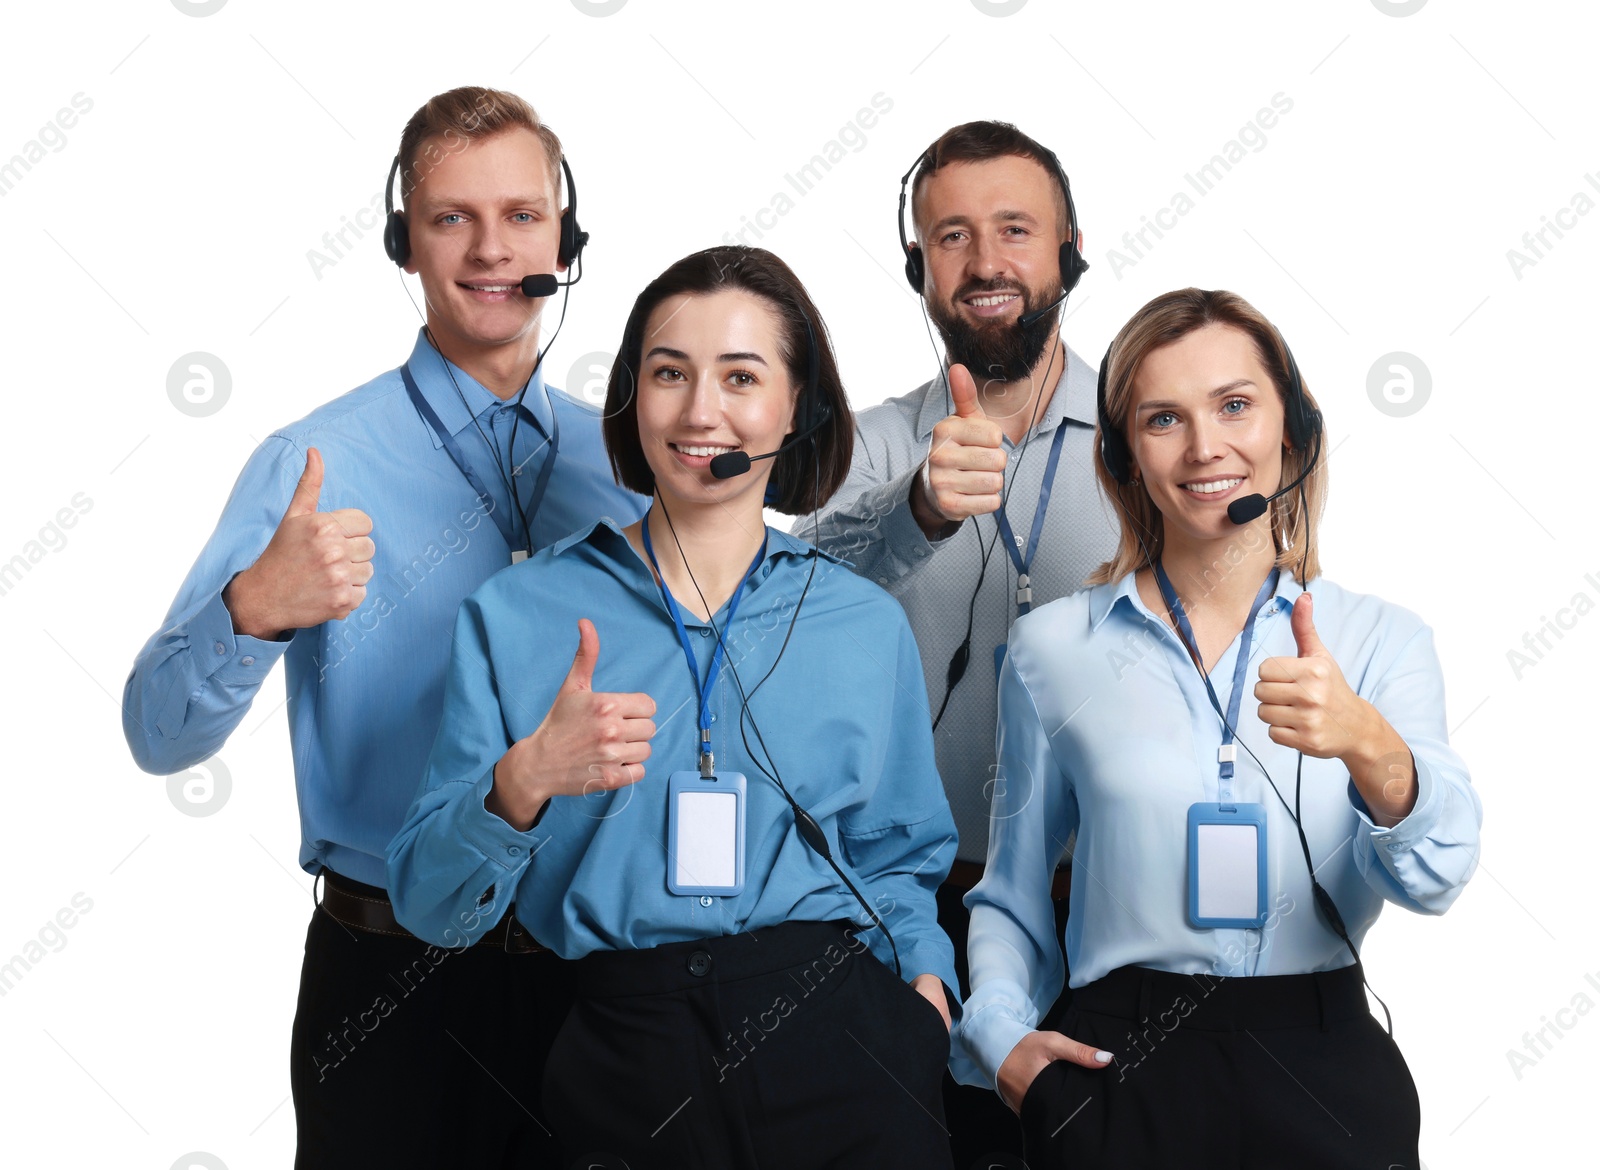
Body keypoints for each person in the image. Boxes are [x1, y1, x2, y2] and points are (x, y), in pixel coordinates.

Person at [121, 87, 646, 1167]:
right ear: (403, 241)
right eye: (452, 217)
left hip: (586, 979)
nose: (492, 248)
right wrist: (252, 609)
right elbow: (157, 735)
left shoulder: (627, 462)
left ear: (567, 236)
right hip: (389, 991)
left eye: (521, 216)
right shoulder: (314, 461)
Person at [387, 246, 960, 1169]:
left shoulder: (861, 621)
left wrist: (925, 989)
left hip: (844, 1037)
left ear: (797, 406)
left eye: (742, 376)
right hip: (622, 1047)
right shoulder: (517, 612)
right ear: (631, 397)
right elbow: (430, 904)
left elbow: (897, 856)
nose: (701, 412)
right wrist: (522, 781)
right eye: (669, 374)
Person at [956, 287, 1483, 1168]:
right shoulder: (1054, 648)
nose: (1206, 448)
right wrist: (1000, 1042)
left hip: (1322, 1058)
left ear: (1294, 430)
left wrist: (1366, 741)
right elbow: (1013, 895)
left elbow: (1436, 879)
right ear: (1125, 454)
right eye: (1164, 418)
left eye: (1235, 405)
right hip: (1120, 1062)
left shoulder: (1382, 639)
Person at [801, 119, 1118, 1161]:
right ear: (916, 269)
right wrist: (916, 512)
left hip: (1113, 906)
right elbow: (786, 600)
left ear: (1068, 252)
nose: (984, 263)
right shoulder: (876, 440)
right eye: (950, 237)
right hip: (911, 912)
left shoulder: (1153, 426)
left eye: (1014, 230)